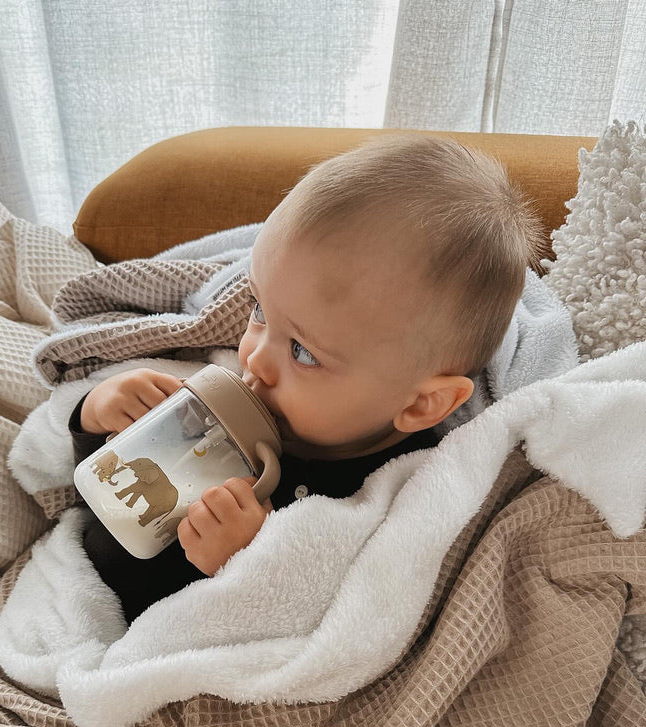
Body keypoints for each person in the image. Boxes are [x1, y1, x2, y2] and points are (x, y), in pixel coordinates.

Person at [69, 132, 545, 625]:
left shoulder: (398, 496)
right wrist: (96, 415)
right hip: (84, 588)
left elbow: (353, 628)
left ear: (422, 405)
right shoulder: (229, 406)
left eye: (303, 351)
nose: (255, 359)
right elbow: (97, 498)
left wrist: (253, 565)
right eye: (258, 309)